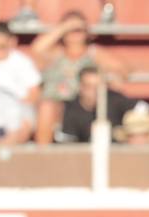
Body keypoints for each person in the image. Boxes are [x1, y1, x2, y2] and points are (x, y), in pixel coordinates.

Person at [32, 11, 128, 144]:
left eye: (78, 30)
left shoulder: (94, 53)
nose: (75, 34)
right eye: (70, 30)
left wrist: (109, 78)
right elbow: (37, 49)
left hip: (83, 103)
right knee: (46, 107)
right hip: (58, 104)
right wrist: (65, 27)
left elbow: (122, 70)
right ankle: (43, 155)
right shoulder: (56, 53)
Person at [58, 65, 138, 142]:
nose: (95, 91)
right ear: (80, 87)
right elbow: (68, 144)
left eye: (98, 87)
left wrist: (127, 131)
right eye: (89, 86)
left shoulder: (115, 99)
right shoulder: (71, 109)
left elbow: (143, 108)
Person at [0, 21, 42, 108]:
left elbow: (34, 93)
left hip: (19, 107)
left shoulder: (23, 62)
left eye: (2, 46)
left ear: (12, 42)